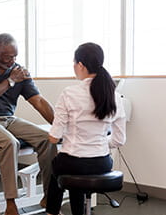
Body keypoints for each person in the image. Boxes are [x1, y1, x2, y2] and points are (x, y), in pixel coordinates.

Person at [0, 33, 58, 215]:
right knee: (9, 142)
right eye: (8, 57)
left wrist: (60, 125)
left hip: (7, 119)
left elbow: (38, 101)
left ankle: (50, 196)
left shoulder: (18, 71)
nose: (12, 61)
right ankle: (11, 203)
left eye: (15, 56)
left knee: (47, 139)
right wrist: (10, 81)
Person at [45, 42, 126, 215]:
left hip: (73, 161)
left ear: (80, 65)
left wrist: (68, 137)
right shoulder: (115, 96)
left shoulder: (69, 93)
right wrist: (99, 142)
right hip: (103, 163)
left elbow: (53, 137)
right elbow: (119, 140)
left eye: (74, 63)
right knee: (70, 168)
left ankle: (51, 212)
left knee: (58, 166)